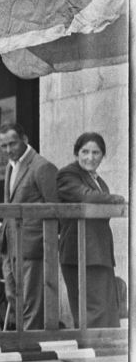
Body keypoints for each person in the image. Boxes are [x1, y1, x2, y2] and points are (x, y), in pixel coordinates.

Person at [57, 131, 125, 329]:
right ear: (76, 153)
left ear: (103, 156)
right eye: (85, 151)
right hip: (79, 252)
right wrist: (118, 198)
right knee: (91, 311)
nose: (90, 157)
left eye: (96, 153)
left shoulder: (98, 180)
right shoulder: (68, 174)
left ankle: (105, 355)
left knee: (106, 308)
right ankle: (93, 355)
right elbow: (85, 196)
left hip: (98, 252)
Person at [0, 122, 58, 329]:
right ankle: (23, 341)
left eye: (12, 144)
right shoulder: (10, 166)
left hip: (32, 244)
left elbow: (55, 208)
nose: (8, 150)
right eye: (3, 146)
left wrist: (47, 242)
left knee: (31, 301)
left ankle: (32, 345)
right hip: (10, 244)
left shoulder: (42, 166)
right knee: (13, 296)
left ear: (25, 140)